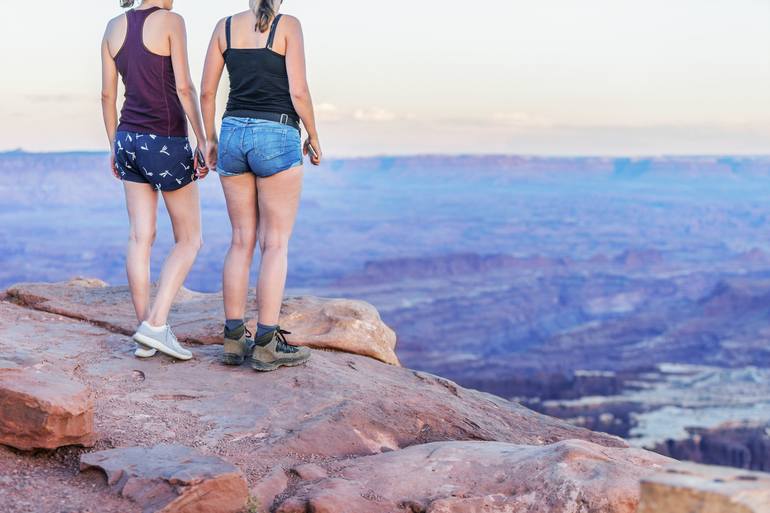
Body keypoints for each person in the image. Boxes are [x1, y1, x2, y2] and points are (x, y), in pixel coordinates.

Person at [200, 0, 321, 371]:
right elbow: (298, 91)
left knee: (240, 240)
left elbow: (206, 93)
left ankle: (234, 339)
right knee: (275, 243)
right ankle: (267, 343)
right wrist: (314, 135)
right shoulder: (288, 25)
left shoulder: (224, 27)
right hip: (277, 132)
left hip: (233, 131)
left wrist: (209, 139)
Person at [101, 0, 208, 361]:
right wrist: (204, 139)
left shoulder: (113, 27)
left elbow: (107, 95)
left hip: (128, 139)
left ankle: (144, 333)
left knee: (139, 236)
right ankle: (156, 324)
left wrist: (113, 145)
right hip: (165, 139)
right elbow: (184, 88)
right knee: (190, 238)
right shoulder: (171, 22)